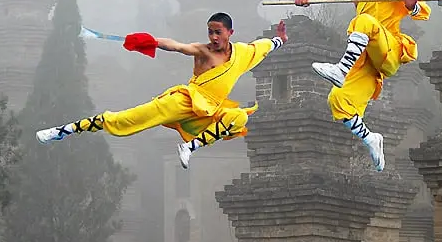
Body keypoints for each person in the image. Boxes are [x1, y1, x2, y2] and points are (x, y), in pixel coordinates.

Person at [36, 12, 288, 169]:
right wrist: (152, 42)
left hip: (211, 111)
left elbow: (263, 46)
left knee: (240, 118)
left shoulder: (242, 53)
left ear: (230, 33)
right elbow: (177, 46)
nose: (213, 37)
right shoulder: (203, 51)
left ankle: (190, 147)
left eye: (218, 32)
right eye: (210, 32)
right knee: (126, 120)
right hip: (185, 101)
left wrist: (279, 40)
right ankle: (63, 130)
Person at [295, 0, 431, 172]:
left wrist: (411, 6)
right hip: (367, 60)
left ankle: (341, 69)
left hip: (389, 49)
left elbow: (424, 12)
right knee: (338, 98)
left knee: (364, 20)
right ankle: (371, 138)